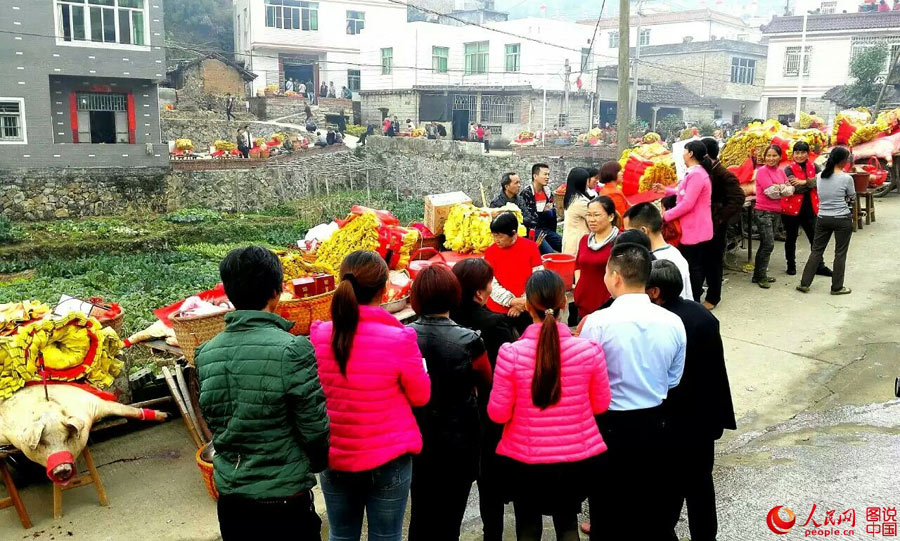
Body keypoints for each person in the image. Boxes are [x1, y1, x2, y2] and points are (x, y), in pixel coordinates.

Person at [196, 246, 329, 540]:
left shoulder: (206, 353)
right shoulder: (293, 349)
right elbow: (315, 428)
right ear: (275, 292)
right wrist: (315, 463)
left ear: (229, 292)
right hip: (285, 503)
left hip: (233, 502)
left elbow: (215, 420)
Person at [310, 250, 431, 541]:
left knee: (341, 534)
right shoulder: (400, 339)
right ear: (384, 288)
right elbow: (421, 396)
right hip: (389, 457)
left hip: (335, 454)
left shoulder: (320, 335)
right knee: (386, 536)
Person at [489, 270, 611, 541]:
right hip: (575, 460)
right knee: (567, 524)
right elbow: (601, 405)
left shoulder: (511, 354)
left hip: (524, 461)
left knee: (527, 527)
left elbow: (498, 414)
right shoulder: (589, 351)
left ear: (527, 305)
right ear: (564, 303)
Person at [579, 243, 686, 541]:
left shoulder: (597, 323)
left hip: (610, 426)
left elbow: (586, 379)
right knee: (652, 508)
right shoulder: (673, 322)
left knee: (608, 510)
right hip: (656, 424)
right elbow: (673, 379)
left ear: (615, 277)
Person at [645, 260, 736, 541]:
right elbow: (717, 372)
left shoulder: (661, 323)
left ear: (655, 292)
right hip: (704, 418)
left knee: (667, 486)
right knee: (700, 486)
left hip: (673, 420)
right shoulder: (701, 315)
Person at [407, 265, 492, 541]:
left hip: (417, 437)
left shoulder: (404, 337)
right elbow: (486, 382)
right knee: (450, 517)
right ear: (454, 295)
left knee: (421, 512)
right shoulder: (470, 341)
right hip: (460, 440)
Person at [451, 259, 518, 541]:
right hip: (488, 418)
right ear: (479, 293)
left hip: (453, 420)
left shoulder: (447, 320)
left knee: (452, 495)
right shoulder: (494, 325)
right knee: (490, 488)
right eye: (491, 283)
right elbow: (507, 374)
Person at [653, 140, 713, 301]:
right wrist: (666, 190)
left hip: (695, 228)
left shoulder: (697, 174)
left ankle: (693, 299)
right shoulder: (694, 172)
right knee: (693, 265)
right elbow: (683, 192)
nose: (683, 154)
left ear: (691, 153)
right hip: (694, 227)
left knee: (694, 267)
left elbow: (687, 203)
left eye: (685, 151)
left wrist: (665, 216)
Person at [797, 147, 855, 295]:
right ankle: (837, 287)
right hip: (842, 218)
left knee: (816, 250)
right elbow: (851, 198)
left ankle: (804, 283)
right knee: (840, 253)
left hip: (823, 217)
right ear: (843, 161)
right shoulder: (846, 178)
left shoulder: (819, 176)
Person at [701, 137, 746, 309]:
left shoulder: (724, 174)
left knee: (713, 261)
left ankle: (713, 298)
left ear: (706, 155)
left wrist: (719, 217)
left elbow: (738, 197)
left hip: (716, 225)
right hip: (703, 223)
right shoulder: (705, 171)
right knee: (703, 259)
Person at [483, 212, 544, 334]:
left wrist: (523, 303)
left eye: (500, 236)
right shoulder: (490, 252)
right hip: (498, 309)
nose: (496, 240)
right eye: (494, 236)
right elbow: (491, 283)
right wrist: (511, 301)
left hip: (527, 307)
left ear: (513, 233)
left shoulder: (530, 247)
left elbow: (538, 278)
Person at [624, 202, 694, 301]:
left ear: (643, 231)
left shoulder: (662, 262)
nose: (625, 236)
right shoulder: (674, 254)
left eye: (629, 232)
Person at [784, 141, 832, 277]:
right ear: (793, 154)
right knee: (791, 238)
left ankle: (819, 266)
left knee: (815, 239)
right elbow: (795, 188)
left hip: (810, 208)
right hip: (791, 209)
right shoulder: (788, 169)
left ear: (807, 154)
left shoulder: (814, 166)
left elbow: (822, 181)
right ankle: (791, 265)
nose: (799, 155)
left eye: (802, 152)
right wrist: (811, 183)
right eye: (797, 152)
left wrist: (804, 182)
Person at [573, 195, 619, 320]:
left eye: (596, 215)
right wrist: (579, 286)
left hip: (607, 307)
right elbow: (578, 266)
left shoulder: (619, 242)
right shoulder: (584, 240)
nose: (591, 219)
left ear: (611, 217)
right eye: (589, 215)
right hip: (583, 305)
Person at [753, 144, 791, 289]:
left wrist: (779, 188)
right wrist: (782, 188)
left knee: (767, 244)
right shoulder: (762, 172)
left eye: (774, 155)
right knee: (768, 244)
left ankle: (759, 274)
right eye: (768, 155)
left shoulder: (781, 172)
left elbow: (790, 190)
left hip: (776, 211)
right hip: (763, 212)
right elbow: (771, 193)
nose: (771, 158)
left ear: (780, 157)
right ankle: (760, 276)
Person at [521, 163, 563, 254]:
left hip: (547, 230)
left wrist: (548, 211)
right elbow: (528, 218)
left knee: (566, 245)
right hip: (534, 231)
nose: (547, 177)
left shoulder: (547, 191)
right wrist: (543, 212)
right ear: (535, 176)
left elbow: (552, 211)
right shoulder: (527, 193)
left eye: (548, 174)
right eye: (545, 174)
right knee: (550, 253)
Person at [561, 167, 592, 256]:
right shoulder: (580, 202)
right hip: (577, 244)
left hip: (571, 241)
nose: (588, 184)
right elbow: (595, 216)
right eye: (587, 181)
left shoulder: (571, 197)